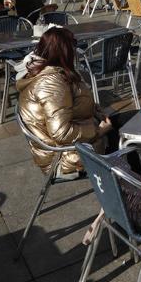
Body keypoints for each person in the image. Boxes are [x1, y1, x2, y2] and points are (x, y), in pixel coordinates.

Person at [16, 27, 123, 177]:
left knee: (131, 123)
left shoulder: (53, 73)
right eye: (73, 47)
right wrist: (98, 130)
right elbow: (61, 133)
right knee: (131, 140)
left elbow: (74, 105)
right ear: (65, 52)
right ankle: (139, 191)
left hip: (76, 143)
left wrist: (96, 111)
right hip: (65, 157)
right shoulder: (51, 83)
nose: (75, 52)